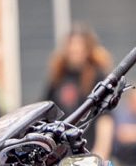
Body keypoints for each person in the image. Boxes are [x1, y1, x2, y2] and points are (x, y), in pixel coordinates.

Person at [43, 26, 113, 158]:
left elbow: (105, 118)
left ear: (88, 48)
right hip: (61, 155)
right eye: (71, 44)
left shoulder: (98, 77)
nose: (75, 49)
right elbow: (46, 115)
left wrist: (101, 152)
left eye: (79, 45)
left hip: (87, 151)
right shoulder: (58, 77)